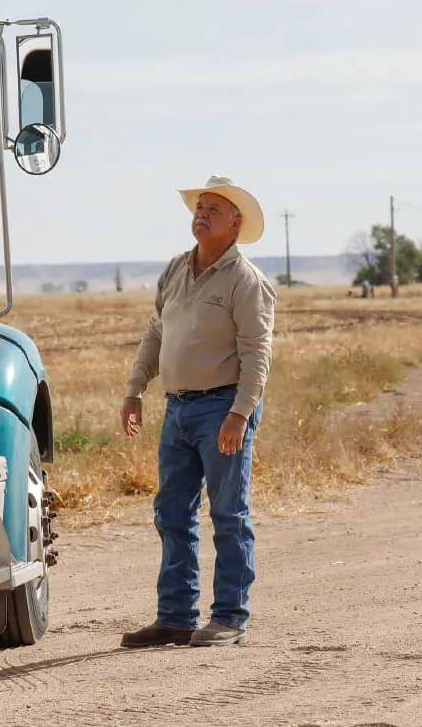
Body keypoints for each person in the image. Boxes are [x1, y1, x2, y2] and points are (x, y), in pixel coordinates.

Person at [119, 176, 276, 648]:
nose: (201, 215)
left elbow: (257, 353)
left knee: (228, 515)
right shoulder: (175, 270)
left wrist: (240, 414)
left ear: (235, 224)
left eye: (213, 210)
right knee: (172, 514)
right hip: (179, 409)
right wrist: (135, 390)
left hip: (222, 409)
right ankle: (176, 617)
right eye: (200, 207)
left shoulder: (246, 281)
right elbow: (156, 332)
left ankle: (229, 618)